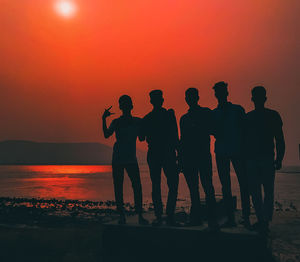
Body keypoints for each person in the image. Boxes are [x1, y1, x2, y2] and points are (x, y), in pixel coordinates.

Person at [102, 95, 148, 225]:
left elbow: (141, 138)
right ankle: (129, 216)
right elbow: (106, 135)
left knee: (130, 187)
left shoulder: (134, 121)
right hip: (120, 159)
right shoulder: (120, 122)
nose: (126, 107)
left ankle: (132, 215)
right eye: (125, 104)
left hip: (127, 158)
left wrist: (144, 126)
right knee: (127, 187)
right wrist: (103, 119)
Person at [245, 86, 285, 234]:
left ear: (253, 99)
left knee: (259, 192)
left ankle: (263, 221)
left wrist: (279, 158)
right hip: (262, 159)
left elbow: (279, 139)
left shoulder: (250, 118)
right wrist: (279, 158)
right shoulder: (271, 115)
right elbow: (279, 139)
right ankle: (264, 221)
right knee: (264, 191)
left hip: (259, 159)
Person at [179, 88, 219, 231]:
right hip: (191, 158)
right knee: (195, 189)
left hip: (202, 157)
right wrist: (181, 160)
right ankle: (198, 219)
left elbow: (215, 129)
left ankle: (211, 220)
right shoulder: (184, 119)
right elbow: (182, 141)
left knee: (207, 188)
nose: (190, 99)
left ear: (196, 97)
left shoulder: (205, 113)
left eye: (191, 96)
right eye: (188, 97)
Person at [212, 81, 250, 228]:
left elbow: (245, 131)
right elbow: (213, 130)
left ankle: (244, 217)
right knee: (227, 185)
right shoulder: (215, 113)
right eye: (219, 92)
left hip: (236, 150)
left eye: (222, 92)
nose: (220, 95)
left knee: (242, 183)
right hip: (223, 151)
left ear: (226, 93)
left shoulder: (237, 110)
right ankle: (232, 218)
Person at [141, 90, 179, 226]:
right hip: (166, 153)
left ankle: (160, 214)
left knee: (157, 185)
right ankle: (168, 214)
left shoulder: (147, 118)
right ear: (161, 100)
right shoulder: (169, 115)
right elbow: (175, 135)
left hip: (156, 153)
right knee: (171, 184)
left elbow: (141, 137)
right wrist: (178, 153)